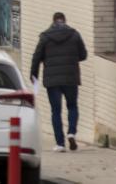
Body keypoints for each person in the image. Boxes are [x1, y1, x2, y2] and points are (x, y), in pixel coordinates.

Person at [30, 12, 88, 152]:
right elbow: (83, 55)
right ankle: (72, 132)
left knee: (56, 111)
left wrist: (34, 76)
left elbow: (36, 58)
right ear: (64, 20)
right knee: (72, 106)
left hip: (52, 80)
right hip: (70, 78)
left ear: (53, 21)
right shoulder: (74, 35)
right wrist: (72, 58)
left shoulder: (45, 37)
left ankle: (60, 144)